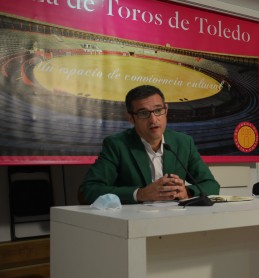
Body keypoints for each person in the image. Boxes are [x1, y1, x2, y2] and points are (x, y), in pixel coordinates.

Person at [80, 85, 220, 204]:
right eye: (143, 113)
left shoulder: (183, 142)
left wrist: (187, 192)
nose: (153, 119)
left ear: (166, 110)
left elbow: (212, 185)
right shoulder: (117, 145)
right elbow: (88, 191)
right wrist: (140, 194)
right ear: (131, 118)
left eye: (158, 110)